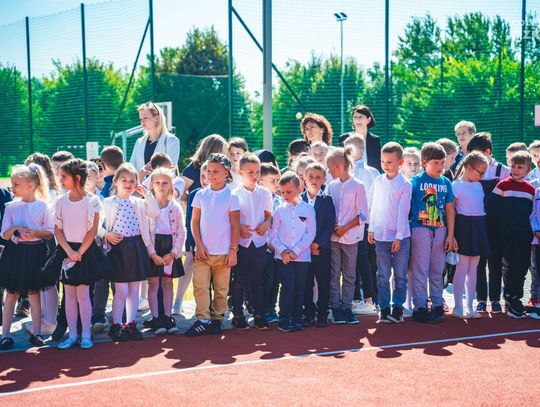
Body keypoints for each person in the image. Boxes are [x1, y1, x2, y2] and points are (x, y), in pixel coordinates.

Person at [42, 159, 109, 350]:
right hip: (66, 251)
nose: (60, 180)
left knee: (83, 294)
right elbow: (58, 229)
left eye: (64, 176)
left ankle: (86, 334)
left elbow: (92, 230)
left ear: (77, 178)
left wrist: (79, 252)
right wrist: (69, 251)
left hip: (85, 251)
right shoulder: (61, 201)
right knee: (69, 294)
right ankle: (72, 335)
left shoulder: (92, 201)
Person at [99, 163, 160, 342]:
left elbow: (155, 213)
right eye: (124, 180)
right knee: (121, 290)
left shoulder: (139, 202)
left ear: (137, 184)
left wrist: (147, 194)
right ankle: (117, 324)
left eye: (132, 181)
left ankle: (131, 323)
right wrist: (106, 235)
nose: (128, 184)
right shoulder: (108, 202)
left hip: (136, 247)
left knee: (134, 289)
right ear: (115, 181)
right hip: (118, 248)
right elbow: (96, 226)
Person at [185, 153, 240, 337]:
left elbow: (235, 225)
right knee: (200, 286)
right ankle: (203, 319)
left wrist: (233, 250)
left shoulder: (232, 196)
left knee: (221, 289)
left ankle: (217, 319)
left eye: (216, 171)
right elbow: (194, 222)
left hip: (223, 253)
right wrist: (199, 245)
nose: (211, 175)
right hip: (203, 253)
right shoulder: (200, 195)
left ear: (226, 172)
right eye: (209, 171)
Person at [0, 164, 53, 350]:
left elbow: (50, 232)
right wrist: (15, 228)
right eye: (12, 183)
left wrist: (36, 232)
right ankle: (5, 335)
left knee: (34, 294)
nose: (12, 187)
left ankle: (37, 334)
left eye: (16, 184)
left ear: (30, 185)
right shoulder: (11, 207)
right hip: (15, 254)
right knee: (11, 294)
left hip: (35, 254)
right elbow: (4, 234)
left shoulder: (44, 207)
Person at [409, 142, 457, 324]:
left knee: (437, 269)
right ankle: (420, 307)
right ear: (424, 162)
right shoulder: (415, 182)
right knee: (420, 269)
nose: (440, 166)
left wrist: (450, 235)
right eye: (435, 162)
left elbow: (450, 209)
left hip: (441, 230)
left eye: (442, 162)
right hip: (420, 229)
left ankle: (437, 304)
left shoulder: (446, 182)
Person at [486, 151, 535, 318]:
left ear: (528, 169)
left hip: (524, 235)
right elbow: (490, 206)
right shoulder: (503, 185)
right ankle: (510, 296)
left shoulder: (531, 190)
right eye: (513, 166)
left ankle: (516, 296)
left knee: (522, 265)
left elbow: (533, 213)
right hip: (505, 234)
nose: (515, 170)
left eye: (520, 167)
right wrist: (502, 223)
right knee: (510, 264)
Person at [368, 142, 412, 324]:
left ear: (400, 162)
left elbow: (403, 212)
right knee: (383, 275)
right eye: (383, 161)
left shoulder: (405, 184)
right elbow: (374, 205)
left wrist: (399, 237)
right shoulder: (378, 181)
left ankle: (398, 308)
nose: (385, 165)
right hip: (381, 236)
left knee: (400, 275)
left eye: (389, 162)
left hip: (400, 238)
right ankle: (384, 308)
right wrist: (371, 228)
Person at [467, 132, 509, 313]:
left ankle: (496, 299)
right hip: (478, 223)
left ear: (487, 152)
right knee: (478, 262)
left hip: (497, 225)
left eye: (476, 154)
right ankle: (481, 299)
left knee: (496, 262)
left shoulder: (503, 171)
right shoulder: (470, 172)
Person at [326, 147, 368, 324]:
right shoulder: (331, 186)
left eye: (329, 168)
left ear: (338, 165)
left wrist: (345, 228)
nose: (328, 172)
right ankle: (335, 308)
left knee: (350, 275)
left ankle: (347, 307)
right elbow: (328, 210)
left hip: (351, 239)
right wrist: (334, 228)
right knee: (334, 273)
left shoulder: (358, 186)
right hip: (334, 239)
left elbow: (364, 215)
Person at [231, 153, 272, 330]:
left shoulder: (265, 193)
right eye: (250, 172)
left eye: (257, 172)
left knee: (257, 280)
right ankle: (238, 314)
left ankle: (259, 314)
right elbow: (229, 218)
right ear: (240, 172)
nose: (255, 175)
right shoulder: (233, 194)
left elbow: (269, 214)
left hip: (260, 243)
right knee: (239, 280)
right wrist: (239, 227)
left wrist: (267, 223)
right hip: (242, 243)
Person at [270, 171, 316, 332]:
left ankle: (297, 318)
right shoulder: (279, 210)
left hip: (302, 258)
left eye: (288, 192)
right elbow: (273, 234)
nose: (284, 196)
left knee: (299, 288)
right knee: (287, 287)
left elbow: (310, 233)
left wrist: (296, 251)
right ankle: (283, 319)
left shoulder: (309, 209)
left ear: (299, 189)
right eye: (282, 192)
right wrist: (283, 252)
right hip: (283, 258)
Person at [89, 145, 125, 335]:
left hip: (105, 240)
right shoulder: (126, 183)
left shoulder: (106, 189)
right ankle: (120, 316)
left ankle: (99, 316)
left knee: (102, 280)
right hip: (121, 239)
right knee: (119, 280)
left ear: (102, 165)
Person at [24, 153, 60, 335]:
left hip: (47, 241)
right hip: (39, 242)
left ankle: (50, 321)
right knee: (42, 283)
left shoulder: (49, 195)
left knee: (47, 283)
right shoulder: (48, 193)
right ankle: (45, 319)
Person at [146, 168, 185, 334]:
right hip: (154, 248)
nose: (161, 186)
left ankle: (168, 317)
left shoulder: (175, 206)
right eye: (157, 183)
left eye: (165, 183)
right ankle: (156, 318)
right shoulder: (147, 206)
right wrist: (152, 253)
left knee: (168, 282)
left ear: (171, 185)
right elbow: (145, 232)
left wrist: (174, 253)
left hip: (170, 247)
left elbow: (181, 231)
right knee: (154, 283)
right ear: (151, 185)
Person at [451, 152, 490, 319]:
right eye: (480, 172)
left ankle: (469, 306)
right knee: (462, 268)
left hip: (479, 226)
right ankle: (458, 306)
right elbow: (451, 211)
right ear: (468, 167)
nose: (482, 176)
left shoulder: (479, 186)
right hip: (463, 227)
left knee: (474, 268)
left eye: (484, 173)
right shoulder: (456, 185)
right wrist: (451, 235)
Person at [344, 135, 379, 315]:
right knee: (351, 262)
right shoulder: (344, 171)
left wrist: (369, 223)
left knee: (364, 261)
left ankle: (369, 299)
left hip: (363, 224)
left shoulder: (370, 172)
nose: (349, 151)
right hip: (347, 225)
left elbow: (373, 200)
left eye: (353, 147)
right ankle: (356, 297)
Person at [301, 163, 335, 328]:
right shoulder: (299, 199)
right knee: (306, 283)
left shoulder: (327, 200)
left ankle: (322, 313)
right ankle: (308, 313)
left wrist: (317, 244)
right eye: (311, 177)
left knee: (323, 282)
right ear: (304, 178)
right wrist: (307, 245)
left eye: (318, 177)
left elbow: (329, 225)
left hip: (322, 250)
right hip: (303, 250)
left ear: (324, 180)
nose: (314, 180)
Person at [173, 162, 209, 315]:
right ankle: (178, 301)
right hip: (195, 238)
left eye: (208, 176)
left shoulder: (224, 194)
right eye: (202, 176)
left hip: (214, 241)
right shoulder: (195, 194)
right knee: (188, 264)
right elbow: (190, 220)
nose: (205, 180)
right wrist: (192, 242)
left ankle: (209, 305)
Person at [259, 163, 282, 324]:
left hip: (278, 249)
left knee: (276, 281)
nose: (276, 184)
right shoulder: (258, 202)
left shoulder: (279, 201)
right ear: (261, 182)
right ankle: (261, 310)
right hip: (264, 249)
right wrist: (269, 244)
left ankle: (271, 309)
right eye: (273, 181)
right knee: (265, 280)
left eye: (277, 180)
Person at [130, 102, 180, 173]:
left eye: (145, 117)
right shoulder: (139, 142)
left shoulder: (171, 141)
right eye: (140, 119)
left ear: (156, 118)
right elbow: (132, 168)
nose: (142, 121)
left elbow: (171, 170)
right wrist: (141, 175)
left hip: (162, 180)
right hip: (141, 181)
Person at [338, 105, 382, 171]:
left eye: (360, 117)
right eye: (355, 117)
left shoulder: (375, 140)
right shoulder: (344, 138)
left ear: (368, 119)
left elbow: (377, 165)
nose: (357, 120)